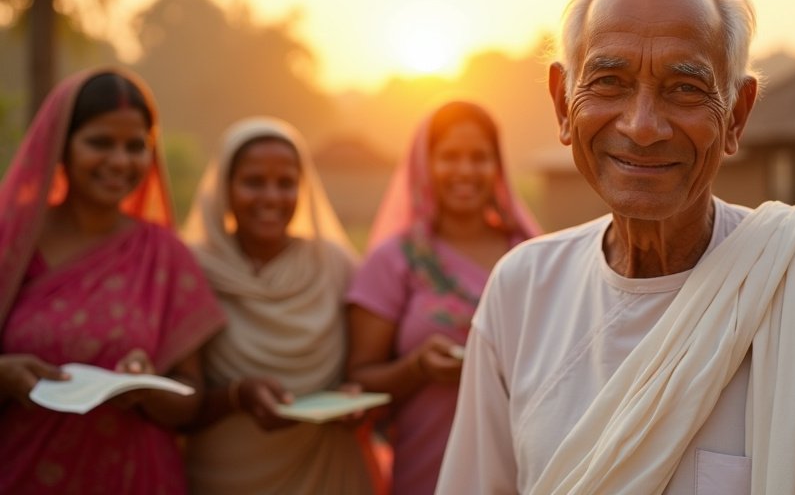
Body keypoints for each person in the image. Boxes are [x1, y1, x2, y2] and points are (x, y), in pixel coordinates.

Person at [436, 0, 795, 495]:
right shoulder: (521, 292)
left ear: (737, 115)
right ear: (564, 103)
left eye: (684, 88)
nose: (644, 126)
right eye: (609, 81)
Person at [0, 68, 226, 494]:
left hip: (134, 477)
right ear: (61, 147)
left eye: (135, 146)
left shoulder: (164, 254)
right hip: (24, 472)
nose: (120, 161)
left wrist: (144, 388)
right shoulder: (12, 245)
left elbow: (191, 398)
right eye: (100, 142)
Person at [345, 101, 540, 495]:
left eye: (479, 158)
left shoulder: (534, 256)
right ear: (424, 166)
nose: (465, 171)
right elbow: (359, 378)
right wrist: (417, 368)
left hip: (527, 467)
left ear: (497, 167)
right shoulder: (395, 260)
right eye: (449, 157)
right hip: (428, 469)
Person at [180, 116, 378, 494]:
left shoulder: (335, 265)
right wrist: (237, 396)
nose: (271, 197)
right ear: (225, 187)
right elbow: (178, 401)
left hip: (327, 472)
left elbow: (367, 369)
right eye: (254, 182)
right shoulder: (193, 269)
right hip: (223, 476)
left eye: (286, 183)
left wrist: (356, 399)